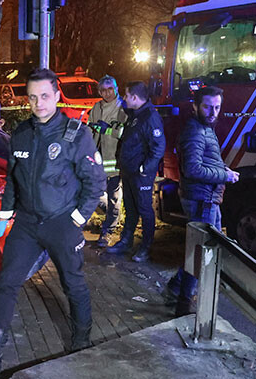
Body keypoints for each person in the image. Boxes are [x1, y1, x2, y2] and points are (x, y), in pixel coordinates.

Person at [0, 68, 106, 372]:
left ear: (57, 96)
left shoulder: (76, 134)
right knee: (7, 282)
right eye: (33, 97)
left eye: (45, 96)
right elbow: (13, 179)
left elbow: (95, 182)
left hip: (61, 221)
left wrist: (77, 219)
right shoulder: (22, 134)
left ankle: (81, 342)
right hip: (26, 223)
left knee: (72, 283)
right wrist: (5, 215)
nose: (39, 103)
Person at [164, 86, 239, 315]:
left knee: (202, 249)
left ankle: (176, 287)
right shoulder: (196, 131)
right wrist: (224, 175)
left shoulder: (205, 128)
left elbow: (207, 160)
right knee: (202, 253)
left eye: (217, 107)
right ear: (196, 106)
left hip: (207, 198)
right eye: (207, 106)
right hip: (202, 200)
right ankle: (184, 305)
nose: (213, 111)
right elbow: (193, 168)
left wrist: (222, 168)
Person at [106, 81, 166, 262]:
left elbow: (158, 147)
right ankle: (126, 241)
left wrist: (144, 169)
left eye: (126, 95)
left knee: (145, 210)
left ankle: (145, 248)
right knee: (131, 208)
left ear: (134, 97)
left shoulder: (149, 117)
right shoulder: (136, 114)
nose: (124, 98)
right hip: (129, 171)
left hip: (141, 175)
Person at [88, 75, 128, 247]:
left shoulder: (123, 108)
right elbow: (90, 131)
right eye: (103, 90)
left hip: (116, 161)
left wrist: (109, 130)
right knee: (92, 193)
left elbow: (126, 134)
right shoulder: (96, 107)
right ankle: (110, 218)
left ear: (116, 88)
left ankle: (108, 231)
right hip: (97, 162)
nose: (107, 93)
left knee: (114, 198)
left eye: (110, 89)